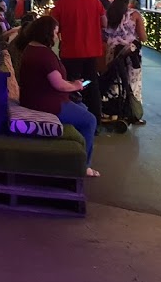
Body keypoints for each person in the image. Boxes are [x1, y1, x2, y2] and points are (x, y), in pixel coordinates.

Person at [16, 16, 100, 177]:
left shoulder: (30, 48)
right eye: (55, 32)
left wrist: (72, 84)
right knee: (90, 120)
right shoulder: (44, 55)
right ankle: (84, 165)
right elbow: (58, 84)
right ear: (47, 33)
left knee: (83, 108)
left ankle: (76, 153)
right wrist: (75, 85)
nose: (57, 35)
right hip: (47, 103)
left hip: (33, 98)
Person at [50, 0, 107, 124]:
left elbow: (53, 29)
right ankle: (95, 119)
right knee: (91, 83)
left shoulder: (60, 5)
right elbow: (105, 23)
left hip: (70, 52)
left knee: (71, 85)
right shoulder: (94, 1)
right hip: (92, 51)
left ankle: (75, 118)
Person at [104, 0, 147, 125]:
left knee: (113, 79)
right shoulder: (135, 15)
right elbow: (143, 37)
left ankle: (112, 111)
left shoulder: (109, 14)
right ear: (129, 1)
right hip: (130, 53)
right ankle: (132, 113)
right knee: (133, 82)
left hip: (112, 53)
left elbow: (104, 34)